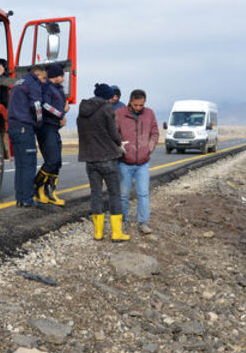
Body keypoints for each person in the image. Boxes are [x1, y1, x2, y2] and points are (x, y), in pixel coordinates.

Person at [77, 83, 130, 241]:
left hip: (90, 160)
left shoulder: (82, 111)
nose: (111, 100)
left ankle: (98, 233)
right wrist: (119, 143)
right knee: (114, 194)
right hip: (107, 158)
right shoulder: (106, 109)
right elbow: (113, 133)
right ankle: (116, 233)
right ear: (106, 96)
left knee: (96, 194)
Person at [115, 89, 159, 234]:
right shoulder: (120, 114)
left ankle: (143, 223)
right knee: (123, 195)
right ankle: (123, 221)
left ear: (144, 102)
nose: (138, 108)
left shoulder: (150, 114)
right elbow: (114, 133)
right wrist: (119, 147)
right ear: (130, 102)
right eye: (135, 105)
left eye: (141, 105)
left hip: (143, 163)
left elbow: (155, 133)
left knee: (144, 194)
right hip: (124, 162)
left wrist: (149, 148)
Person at [7, 65, 47, 207]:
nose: (43, 81)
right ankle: (27, 200)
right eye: (43, 78)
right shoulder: (33, 84)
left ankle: (20, 199)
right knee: (29, 166)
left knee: (20, 166)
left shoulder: (20, 82)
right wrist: (39, 123)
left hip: (13, 128)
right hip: (25, 128)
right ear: (38, 73)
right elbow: (36, 106)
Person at [35, 63, 69, 206]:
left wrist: (64, 113)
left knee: (57, 162)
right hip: (46, 128)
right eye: (62, 76)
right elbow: (45, 106)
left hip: (54, 128)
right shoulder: (47, 88)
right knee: (51, 161)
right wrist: (61, 114)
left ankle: (51, 192)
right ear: (58, 76)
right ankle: (37, 187)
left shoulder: (59, 90)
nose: (64, 78)